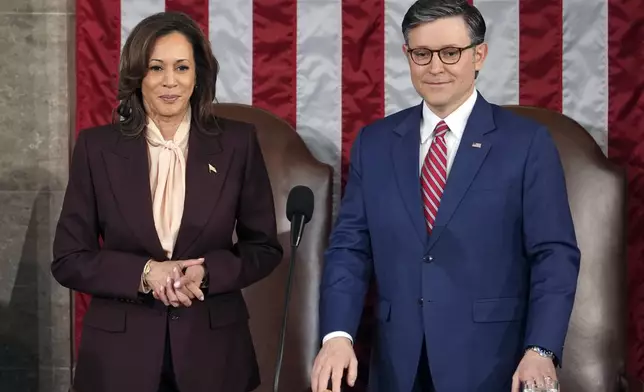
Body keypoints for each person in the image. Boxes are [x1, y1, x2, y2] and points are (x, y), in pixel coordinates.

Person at [311, 1, 580, 391]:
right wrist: (337, 336)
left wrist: (541, 349)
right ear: (408, 56)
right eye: (422, 54)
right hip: (397, 364)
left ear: (479, 55)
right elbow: (349, 248)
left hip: (492, 363)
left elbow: (554, 255)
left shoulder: (526, 143)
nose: (435, 67)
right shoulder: (375, 142)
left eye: (451, 53)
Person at [51, 11, 283, 392]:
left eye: (182, 67)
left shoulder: (237, 144)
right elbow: (68, 259)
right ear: (137, 74)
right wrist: (145, 273)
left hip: (213, 355)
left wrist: (207, 274)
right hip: (118, 360)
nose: (170, 81)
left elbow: (263, 248)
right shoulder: (97, 148)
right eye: (156, 67)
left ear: (198, 74)